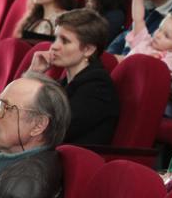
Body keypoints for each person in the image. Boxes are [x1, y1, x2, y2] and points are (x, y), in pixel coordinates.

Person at [29, 9, 120, 145]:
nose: (54, 47)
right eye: (56, 39)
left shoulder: (98, 87)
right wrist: (34, 73)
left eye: (65, 41)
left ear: (88, 50)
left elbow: (53, 131)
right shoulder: (66, 82)